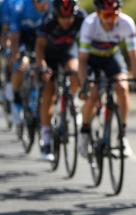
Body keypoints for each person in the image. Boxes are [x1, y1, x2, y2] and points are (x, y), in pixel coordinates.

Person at [77, 0, 136, 158]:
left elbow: (134, 56)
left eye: (114, 15)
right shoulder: (89, 24)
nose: (110, 20)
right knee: (93, 94)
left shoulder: (126, 23)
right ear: (98, 13)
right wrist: (83, 85)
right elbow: (82, 60)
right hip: (91, 60)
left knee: (122, 88)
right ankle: (85, 131)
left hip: (111, 57)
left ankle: (122, 136)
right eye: (106, 15)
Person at [35, 0, 86, 161]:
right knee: (49, 90)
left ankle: (73, 100)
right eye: (62, 18)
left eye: (69, 17)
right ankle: (46, 135)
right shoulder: (48, 19)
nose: (66, 21)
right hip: (49, 55)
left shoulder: (81, 17)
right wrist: (42, 66)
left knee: (76, 72)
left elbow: (87, 43)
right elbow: (39, 47)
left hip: (68, 51)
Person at [7, 0, 49, 138]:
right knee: (20, 67)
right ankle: (16, 102)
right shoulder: (20, 6)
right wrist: (16, 55)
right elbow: (14, 35)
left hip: (43, 40)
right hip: (24, 39)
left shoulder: (53, 5)